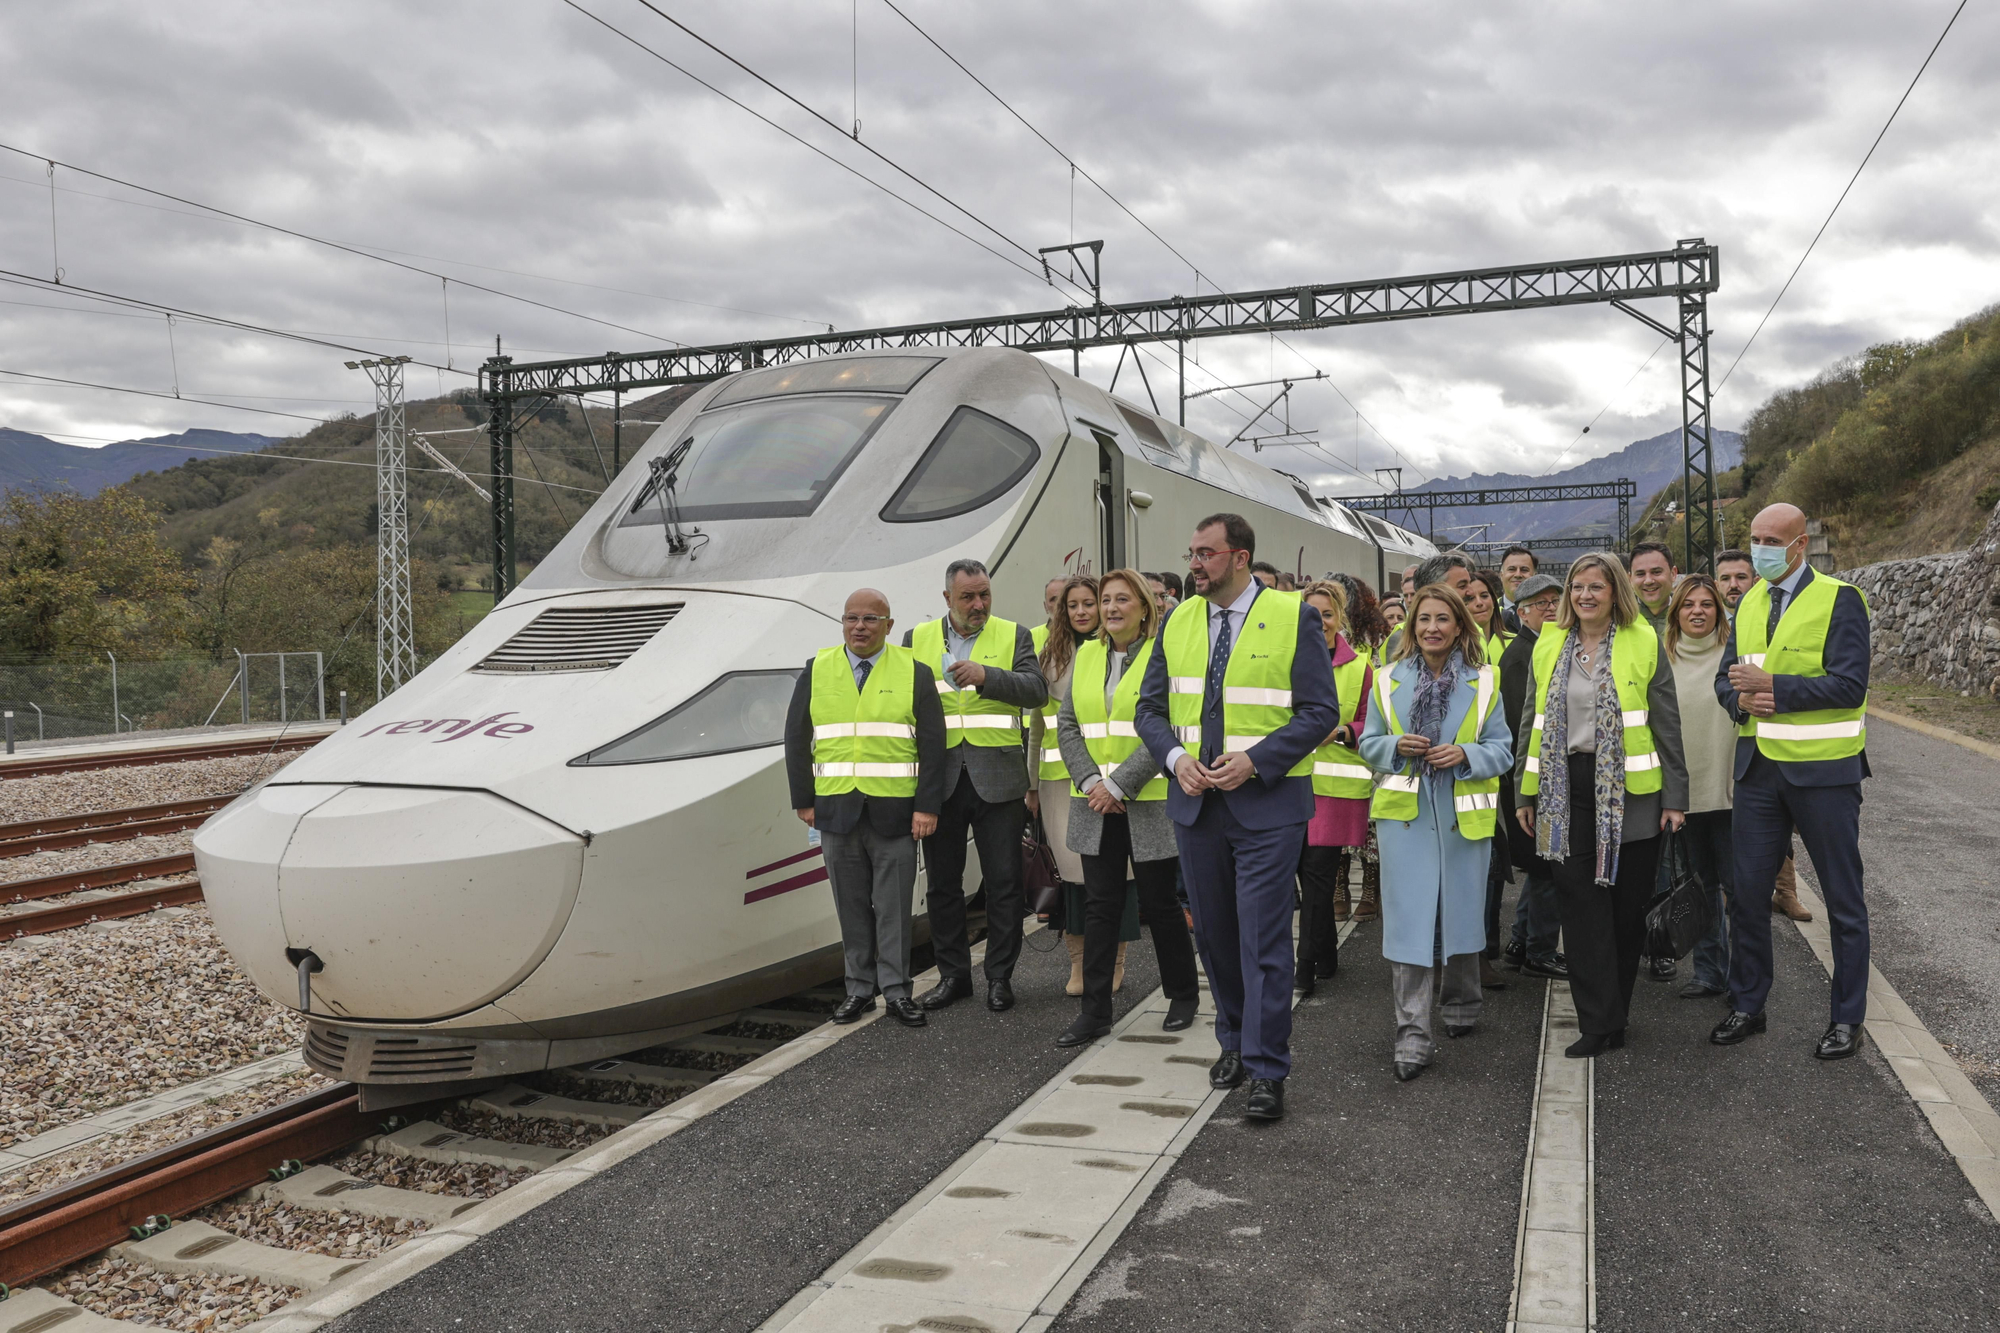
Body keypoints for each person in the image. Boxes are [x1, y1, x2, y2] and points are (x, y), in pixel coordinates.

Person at [1136, 512, 1340, 1122]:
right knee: (1216, 936)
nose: (1194, 563)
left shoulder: (1292, 614)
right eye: (1192, 552)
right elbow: (1150, 710)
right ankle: (1233, 1042)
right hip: (1197, 805)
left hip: (1268, 809)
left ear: (1241, 558)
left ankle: (1267, 1067)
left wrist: (1256, 761)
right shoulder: (1177, 619)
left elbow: (1318, 712)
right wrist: (1175, 759)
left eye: (1206, 553)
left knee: (1264, 940)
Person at [1712, 502, 1872, 1060]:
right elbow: (1725, 679)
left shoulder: (1840, 599)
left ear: (1799, 544)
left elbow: (1850, 685)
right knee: (1748, 895)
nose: (1760, 549)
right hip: (1758, 771)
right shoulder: (1751, 600)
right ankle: (1747, 1005)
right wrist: (1738, 700)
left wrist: (1775, 689)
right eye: (1754, 538)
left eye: (1771, 540)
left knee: (1843, 902)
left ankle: (1847, 1020)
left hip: (1824, 773)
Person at [1514, 552, 1688, 1057]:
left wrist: (1676, 796)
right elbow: (1534, 722)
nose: (1584, 596)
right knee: (1581, 907)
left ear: (1616, 592)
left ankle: (1617, 1017)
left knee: (1625, 912)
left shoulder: (1643, 641)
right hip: (1563, 788)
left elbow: (1666, 723)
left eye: (1596, 586)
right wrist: (1525, 792)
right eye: (1577, 587)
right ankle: (1598, 1022)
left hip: (1632, 794)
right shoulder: (1550, 644)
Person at [1358, 584, 1514, 1081]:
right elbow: (1367, 744)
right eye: (1423, 618)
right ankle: (1411, 1036)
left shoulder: (1485, 681)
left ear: (1459, 625)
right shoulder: (1385, 680)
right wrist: (1394, 745)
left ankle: (1463, 1004)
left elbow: (1503, 750)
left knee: (1462, 917)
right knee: (1408, 927)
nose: (1431, 628)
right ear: (1410, 626)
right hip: (1404, 821)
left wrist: (1466, 754)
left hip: (1462, 818)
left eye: (1442, 618)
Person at [784, 589, 948, 1027]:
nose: (860, 626)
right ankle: (858, 989)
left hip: (895, 813)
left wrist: (926, 807)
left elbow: (935, 746)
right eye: (852, 618)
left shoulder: (914, 672)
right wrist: (803, 800)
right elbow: (796, 738)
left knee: (894, 908)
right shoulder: (817, 669)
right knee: (850, 907)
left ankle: (896, 992)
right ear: (842, 623)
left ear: (889, 626)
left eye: (871, 619)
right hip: (834, 811)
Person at [1054, 569, 1202, 1045]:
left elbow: (1168, 726)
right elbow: (1068, 725)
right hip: (1093, 802)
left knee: (1160, 905)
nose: (1112, 608)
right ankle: (1096, 1012)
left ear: (1145, 607)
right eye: (1106, 600)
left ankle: (1182, 995)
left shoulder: (1164, 656)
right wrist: (1091, 781)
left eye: (1123, 600)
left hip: (1147, 800)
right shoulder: (1087, 654)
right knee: (1100, 907)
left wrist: (1119, 785)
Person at [904, 558, 1050, 1013]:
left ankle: (1000, 977)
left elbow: (1036, 691)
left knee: (1003, 882)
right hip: (940, 779)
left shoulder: (1014, 634)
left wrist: (988, 677)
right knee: (944, 885)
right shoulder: (917, 639)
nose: (979, 604)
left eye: (984, 594)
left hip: (999, 776)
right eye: (968, 596)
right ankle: (953, 977)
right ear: (947, 598)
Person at [1295, 579, 1373, 995]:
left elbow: (1371, 721)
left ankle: (1304, 964)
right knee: (1304, 879)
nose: (1319, 621)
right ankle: (1325, 951)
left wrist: (1342, 732)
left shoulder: (1360, 667)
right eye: (1311, 614)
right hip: (1286, 783)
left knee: (1319, 875)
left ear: (1339, 617)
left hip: (1334, 788)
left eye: (1327, 614)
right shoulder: (1283, 659)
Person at [1665, 574, 1737, 1000]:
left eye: (1706, 604)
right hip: (1682, 798)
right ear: (1676, 611)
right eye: (1688, 604)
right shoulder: (1662, 658)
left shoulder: (1736, 656)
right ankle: (1709, 972)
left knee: (1740, 891)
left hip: (1731, 795)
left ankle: (1745, 977)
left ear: (1719, 611)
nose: (1697, 611)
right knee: (1701, 889)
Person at [1029, 575, 1101, 994]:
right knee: (1071, 877)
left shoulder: (1119, 652)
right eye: (1071, 605)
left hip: (1109, 779)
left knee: (1110, 876)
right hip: (1059, 780)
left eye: (1087, 604)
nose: (1079, 612)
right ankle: (1078, 963)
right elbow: (1037, 725)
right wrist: (1031, 784)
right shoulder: (1049, 656)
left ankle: (1112, 961)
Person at [1498, 573, 1566, 980]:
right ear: (1521, 612)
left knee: (1543, 866)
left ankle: (1521, 941)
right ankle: (1539, 950)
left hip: (1535, 779)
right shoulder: (1524, 656)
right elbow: (1522, 727)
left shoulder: (1542, 647)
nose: (1553, 608)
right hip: (1535, 780)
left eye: (1557, 599)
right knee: (1549, 865)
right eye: (1542, 604)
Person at [1330, 572, 1391, 924]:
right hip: (1336, 741)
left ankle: (1370, 888)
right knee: (1337, 818)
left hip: (1370, 732)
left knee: (1369, 822)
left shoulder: (1376, 638)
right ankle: (1339, 888)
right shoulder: (1323, 638)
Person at [1464, 567, 1515, 984]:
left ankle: (1486, 948)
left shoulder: (1511, 645)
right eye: (1469, 598)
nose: (1479, 603)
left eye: (1484, 596)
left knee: (1494, 862)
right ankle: (1470, 952)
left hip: (1499, 768)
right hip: (1464, 773)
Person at [1628, 541, 1678, 632]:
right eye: (1640, 574)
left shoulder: (1690, 615)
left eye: (1656, 572)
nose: (1648, 581)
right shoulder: (1620, 619)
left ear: (1673, 574)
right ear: (1630, 579)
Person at [1499, 545, 1538, 631]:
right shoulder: (1489, 612)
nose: (1518, 575)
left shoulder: (1548, 612)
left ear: (1535, 576)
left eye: (1524, 570)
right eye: (1511, 569)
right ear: (1501, 575)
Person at [1714, 549, 1756, 617]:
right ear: (1717, 586)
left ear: (1755, 582)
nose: (1733, 585)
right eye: (1725, 579)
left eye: (1741, 577)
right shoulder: (1708, 623)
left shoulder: (1769, 618)